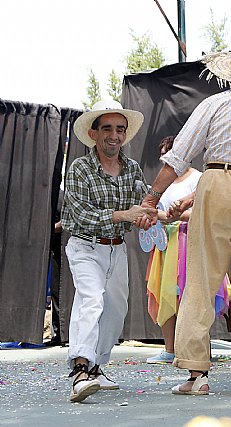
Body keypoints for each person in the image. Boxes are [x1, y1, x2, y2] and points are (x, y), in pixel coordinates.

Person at [138, 45, 231, 394]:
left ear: (229, 73)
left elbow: (179, 158)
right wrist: (196, 196)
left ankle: (196, 374)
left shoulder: (214, 104)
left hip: (218, 185)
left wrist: (152, 198)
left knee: (201, 280)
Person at [61, 100, 155, 402]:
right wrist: (127, 214)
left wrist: (165, 210)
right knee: (91, 300)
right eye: (107, 129)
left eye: (120, 129)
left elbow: (147, 202)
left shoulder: (132, 168)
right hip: (85, 246)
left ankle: (97, 366)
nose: (114, 135)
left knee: (116, 310)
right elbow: (81, 215)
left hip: (117, 250)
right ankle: (79, 369)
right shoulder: (79, 168)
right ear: (93, 133)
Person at [145, 136, 202, 364]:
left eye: (168, 155)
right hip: (166, 243)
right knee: (165, 293)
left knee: (190, 295)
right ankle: (170, 349)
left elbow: (203, 210)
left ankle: (195, 349)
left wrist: (173, 216)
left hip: (189, 241)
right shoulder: (162, 183)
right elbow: (156, 209)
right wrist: (158, 216)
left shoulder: (199, 179)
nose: (164, 160)